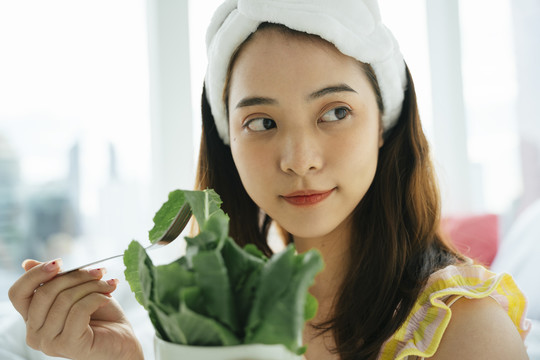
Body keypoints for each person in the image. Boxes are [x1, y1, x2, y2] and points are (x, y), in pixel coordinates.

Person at [7, 0, 531, 359]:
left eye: (335, 112)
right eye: (261, 122)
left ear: (384, 124)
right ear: (228, 142)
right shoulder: (214, 321)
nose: (299, 159)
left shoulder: (464, 328)